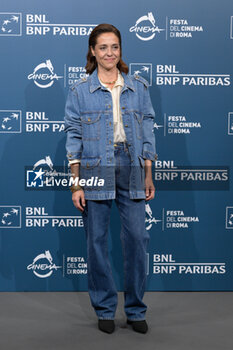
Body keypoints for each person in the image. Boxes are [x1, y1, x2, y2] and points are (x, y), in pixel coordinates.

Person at [64, 23, 157, 334]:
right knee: (97, 241)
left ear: (121, 50)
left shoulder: (139, 88)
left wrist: (148, 173)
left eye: (114, 47)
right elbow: (74, 137)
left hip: (131, 166)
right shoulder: (79, 91)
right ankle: (105, 309)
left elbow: (147, 134)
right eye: (103, 47)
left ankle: (135, 310)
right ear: (93, 51)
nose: (109, 53)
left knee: (137, 239)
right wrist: (76, 183)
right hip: (93, 169)